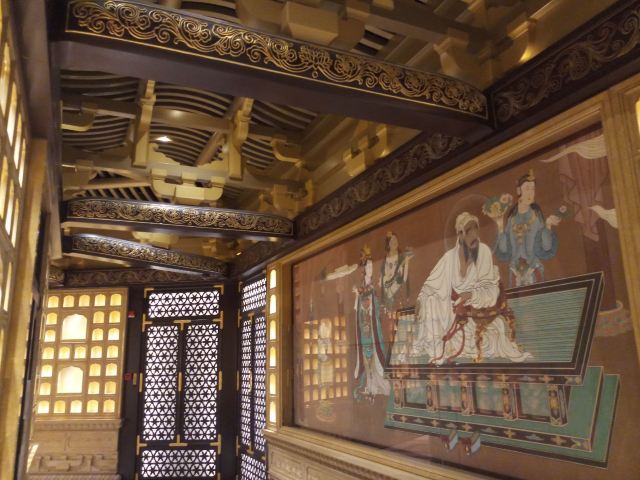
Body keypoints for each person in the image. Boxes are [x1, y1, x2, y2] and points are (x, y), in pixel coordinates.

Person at [410, 212, 531, 364]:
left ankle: (449, 344)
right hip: (452, 312)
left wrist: (470, 295)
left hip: (476, 310)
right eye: (469, 230)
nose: (474, 234)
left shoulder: (483, 252)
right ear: (460, 234)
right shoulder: (449, 257)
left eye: (476, 229)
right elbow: (431, 284)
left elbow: (491, 289)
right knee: (431, 301)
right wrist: (421, 299)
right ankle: (438, 348)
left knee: (491, 337)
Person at [494, 170, 560, 287]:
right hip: (515, 273)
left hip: (533, 271)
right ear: (519, 190)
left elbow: (546, 248)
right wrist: (499, 225)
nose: (530, 193)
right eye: (527, 188)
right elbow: (504, 251)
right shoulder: (511, 218)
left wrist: (548, 225)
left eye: (533, 189)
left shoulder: (536, 215)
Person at [353, 246, 390, 401]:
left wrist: (368, 301)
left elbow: (376, 306)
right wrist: (358, 296)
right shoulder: (362, 290)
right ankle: (369, 386)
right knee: (366, 358)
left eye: (369, 267)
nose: (368, 269)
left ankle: (377, 386)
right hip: (364, 329)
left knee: (375, 357)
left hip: (372, 330)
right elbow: (357, 308)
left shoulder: (373, 288)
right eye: (366, 267)